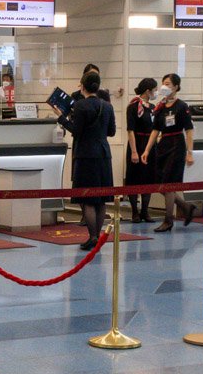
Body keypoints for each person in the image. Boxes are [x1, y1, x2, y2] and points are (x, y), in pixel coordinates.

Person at [54, 70, 116, 250]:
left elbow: (76, 131)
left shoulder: (81, 106)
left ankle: (93, 236)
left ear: (82, 85)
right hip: (104, 154)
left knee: (87, 197)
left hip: (85, 154)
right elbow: (111, 132)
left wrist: (61, 117)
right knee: (102, 198)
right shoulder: (107, 106)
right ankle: (98, 235)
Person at [142, 73, 197, 232]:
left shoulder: (181, 106)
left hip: (176, 146)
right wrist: (147, 150)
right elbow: (155, 130)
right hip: (163, 145)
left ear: (176, 87)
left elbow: (189, 131)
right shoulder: (160, 106)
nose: (164, 87)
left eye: (168, 84)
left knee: (169, 184)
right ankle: (186, 207)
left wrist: (190, 152)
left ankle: (169, 220)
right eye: (163, 83)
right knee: (161, 185)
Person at [125, 77, 159, 223]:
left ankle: (145, 211)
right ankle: (134, 212)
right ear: (148, 91)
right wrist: (134, 151)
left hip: (150, 146)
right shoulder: (133, 106)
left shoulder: (153, 108)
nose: (156, 92)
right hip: (136, 143)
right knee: (134, 178)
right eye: (155, 90)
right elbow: (130, 130)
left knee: (148, 178)